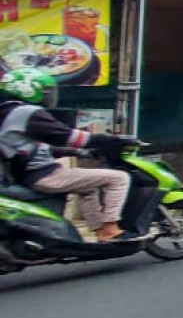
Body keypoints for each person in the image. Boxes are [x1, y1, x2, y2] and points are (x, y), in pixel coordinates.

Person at [0, 68, 135, 242]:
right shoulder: (27, 113)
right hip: (43, 175)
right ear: (28, 90)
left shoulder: (7, 113)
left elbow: (38, 149)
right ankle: (110, 228)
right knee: (120, 178)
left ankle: (99, 229)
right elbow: (69, 136)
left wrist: (80, 153)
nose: (49, 96)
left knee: (89, 187)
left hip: (24, 174)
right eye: (46, 91)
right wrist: (112, 141)